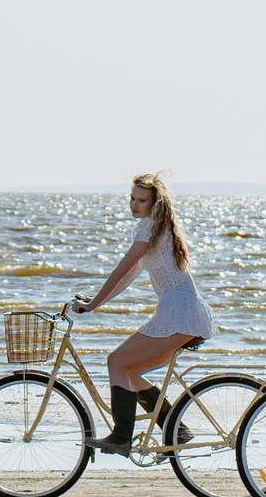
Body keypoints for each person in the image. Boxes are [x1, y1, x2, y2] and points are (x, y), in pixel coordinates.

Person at [70, 172, 214, 455]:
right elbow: (128, 278)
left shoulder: (149, 228)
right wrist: (96, 301)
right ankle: (178, 431)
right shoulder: (156, 227)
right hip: (183, 312)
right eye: (132, 199)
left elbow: (121, 269)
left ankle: (122, 437)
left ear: (154, 204)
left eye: (142, 200)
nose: (134, 205)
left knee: (116, 362)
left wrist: (92, 305)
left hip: (178, 314)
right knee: (131, 371)